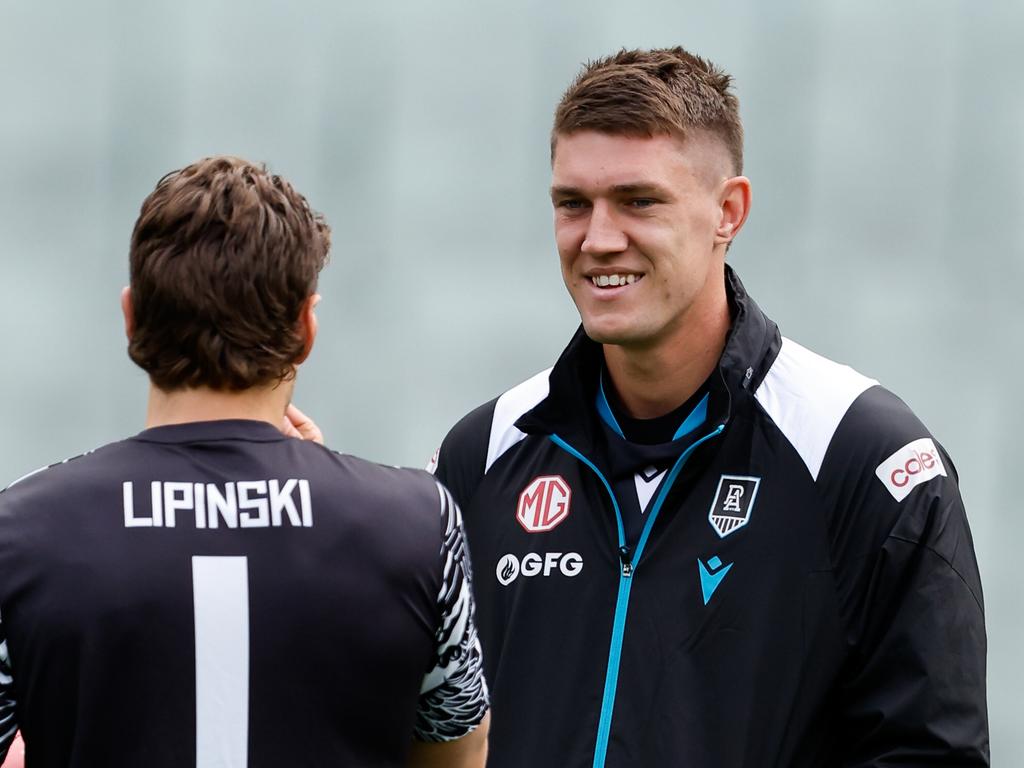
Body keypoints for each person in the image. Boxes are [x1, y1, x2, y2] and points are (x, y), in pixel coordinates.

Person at [428, 48, 989, 766]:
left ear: (729, 211)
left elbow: (930, 754)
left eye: (639, 201)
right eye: (572, 204)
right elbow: (406, 721)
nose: (597, 239)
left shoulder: (865, 457)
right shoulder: (483, 454)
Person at [0, 156, 489, 768]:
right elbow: (456, 750)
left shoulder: (20, 529)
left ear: (130, 319)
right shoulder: (417, 523)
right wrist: (324, 496)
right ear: (308, 328)